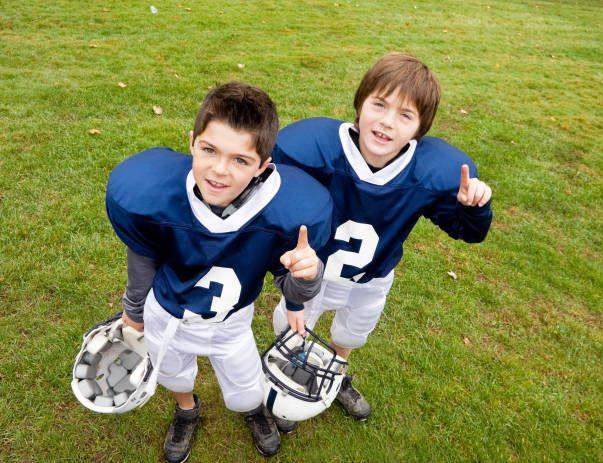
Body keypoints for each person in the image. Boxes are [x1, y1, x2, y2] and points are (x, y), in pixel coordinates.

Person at [106, 82, 333, 462]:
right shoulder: (154, 195)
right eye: (209, 150)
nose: (219, 170)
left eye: (240, 160)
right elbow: (143, 257)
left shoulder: (287, 211)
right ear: (192, 141)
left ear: (264, 165)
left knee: (245, 385)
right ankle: (186, 409)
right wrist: (133, 312)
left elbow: (291, 286)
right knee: (173, 374)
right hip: (168, 314)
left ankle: (252, 411)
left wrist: (307, 277)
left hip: (231, 324)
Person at [272, 53, 493, 425]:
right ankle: (297, 373)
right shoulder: (314, 149)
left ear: (420, 130)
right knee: (293, 327)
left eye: (406, 115)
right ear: (361, 102)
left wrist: (473, 208)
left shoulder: (427, 172)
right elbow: (276, 208)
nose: (388, 122)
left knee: (352, 332)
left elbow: (466, 231)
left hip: (372, 277)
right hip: (316, 274)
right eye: (380, 104)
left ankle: (336, 373)